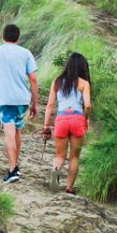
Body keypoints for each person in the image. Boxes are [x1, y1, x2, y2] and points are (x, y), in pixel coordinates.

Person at [0, 24, 39, 183]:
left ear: (2, 36)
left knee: (9, 133)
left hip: (6, 100)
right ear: (18, 38)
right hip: (23, 100)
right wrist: (35, 104)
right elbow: (33, 79)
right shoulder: (26, 53)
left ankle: (12, 170)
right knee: (17, 131)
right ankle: (16, 166)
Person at [42, 52, 92, 194]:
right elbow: (87, 105)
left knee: (60, 156)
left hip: (61, 119)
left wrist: (46, 126)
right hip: (77, 119)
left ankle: (55, 170)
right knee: (74, 157)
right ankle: (69, 188)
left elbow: (50, 105)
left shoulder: (57, 81)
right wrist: (86, 119)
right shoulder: (84, 83)